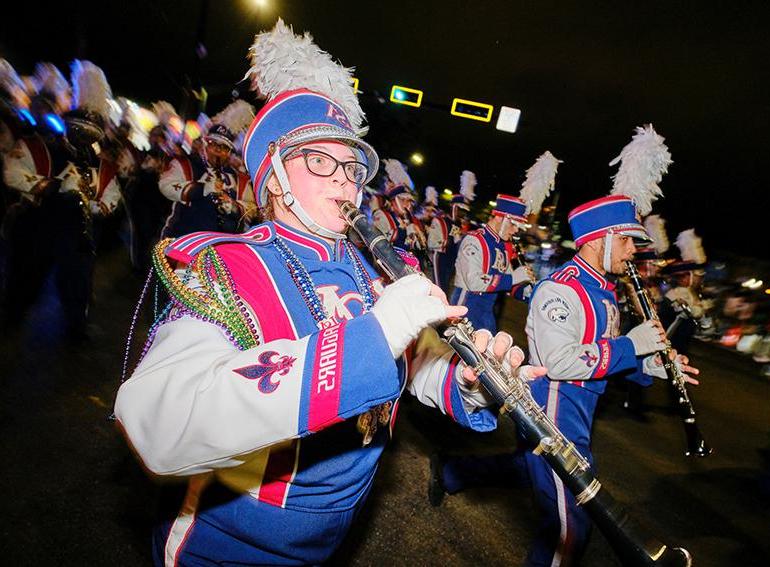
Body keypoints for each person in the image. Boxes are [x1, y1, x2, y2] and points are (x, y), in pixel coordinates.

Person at [113, 20, 542, 566]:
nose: (345, 180)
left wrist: (470, 381)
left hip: (330, 537)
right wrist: (374, 335)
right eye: (320, 161)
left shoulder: (371, 270)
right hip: (228, 544)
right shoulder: (230, 265)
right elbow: (158, 423)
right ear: (275, 178)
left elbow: (415, 367)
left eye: (351, 166)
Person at [433, 195, 699, 565]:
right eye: (624, 240)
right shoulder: (560, 291)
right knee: (570, 525)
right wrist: (629, 345)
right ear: (597, 240)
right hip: (554, 409)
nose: (632, 251)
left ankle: (453, 471)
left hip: (580, 408)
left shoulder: (604, 290)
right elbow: (560, 362)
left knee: (530, 470)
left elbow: (602, 353)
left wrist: (648, 365)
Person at [2, 60, 120, 336]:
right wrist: (53, 185)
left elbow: (111, 192)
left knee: (77, 282)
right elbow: (12, 173)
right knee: (26, 276)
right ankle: (12, 316)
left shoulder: (100, 162)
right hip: (38, 224)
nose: (83, 136)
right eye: (78, 129)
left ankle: (76, 326)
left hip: (77, 232)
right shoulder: (38, 145)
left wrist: (97, 205)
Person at [159, 99, 254, 238]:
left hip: (223, 248)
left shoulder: (240, 179)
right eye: (212, 144)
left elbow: (252, 208)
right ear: (205, 144)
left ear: (229, 152)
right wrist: (202, 188)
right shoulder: (186, 165)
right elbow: (165, 186)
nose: (216, 150)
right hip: (184, 244)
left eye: (223, 147)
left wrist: (234, 206)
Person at [450, 193, 532, 332]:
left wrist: (526, 292)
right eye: (513, 223)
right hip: (466, 306)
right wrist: (513, 278)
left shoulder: (505, 246)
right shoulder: (474, 240)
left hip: (487, 310)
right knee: (460, 353)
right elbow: (473, 281)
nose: (516, 230)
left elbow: (507, 282)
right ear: (499, 218)